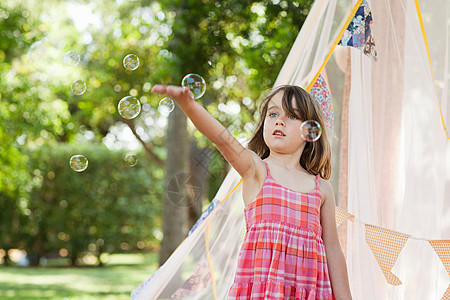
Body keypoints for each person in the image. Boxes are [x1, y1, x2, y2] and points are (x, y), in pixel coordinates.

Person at [151, 84, 352, 300]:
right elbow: (222, 139)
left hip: (310, 292)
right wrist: (188, 104)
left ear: (309, 130)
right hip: (263, 291)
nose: (279, 120)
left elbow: (333, 249)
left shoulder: (321, 188)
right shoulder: (256, 170)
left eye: (292, 116)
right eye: (273, 113)